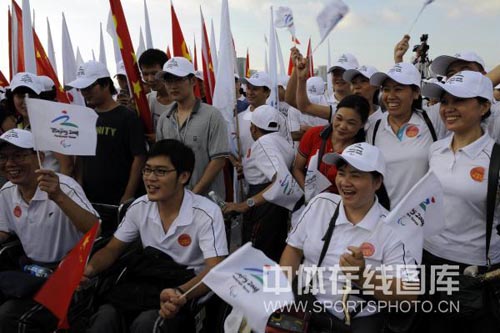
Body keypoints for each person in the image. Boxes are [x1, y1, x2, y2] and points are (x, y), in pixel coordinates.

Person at [83, 139, 228, 333]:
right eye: (147, 170)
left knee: (147, 324)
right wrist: (88, 270)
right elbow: (112, 249)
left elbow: (215, 269)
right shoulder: (139, 207)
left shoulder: (206, 213)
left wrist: (181, 293)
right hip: (145, 283)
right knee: (105, 317)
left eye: (160, 171)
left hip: (186, 288)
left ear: (183, 176)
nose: (150, 178)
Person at [281, 142, 417, 333]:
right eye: (342, 173)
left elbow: (409, 294)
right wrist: (280, 292)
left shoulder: (393, 229)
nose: (345, 182)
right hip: (307, 308)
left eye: (356, 175)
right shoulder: (320, 204)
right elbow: (294, 250)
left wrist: (363, 277)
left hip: (358, 321)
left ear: (377, 182)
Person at [421, 71, 500, 332]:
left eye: (460, 100)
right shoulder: (436, 150)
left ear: (484, 106)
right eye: (445, 101)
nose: (449, 108)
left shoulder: (496, 158)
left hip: (473, 272)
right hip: (429, 260)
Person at [0, 129, 99, 332]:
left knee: (8, 315)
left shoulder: (64, 186)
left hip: (69, 276)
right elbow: (3, 231)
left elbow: (94, 230)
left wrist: (58, 196)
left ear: (40, 158)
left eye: (18, 156)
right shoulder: (6, 191)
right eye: (3, 157)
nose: (10, 164)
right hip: (31, 273)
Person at [68, 61, 146, 235]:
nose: (85, 93)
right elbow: (81, 155)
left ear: (105, 84)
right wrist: (79, 187)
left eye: (89, 87)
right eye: (82, 89)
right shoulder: (84, 117)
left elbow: (139, 158)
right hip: (91, 200)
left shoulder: (127, 117)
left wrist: (128, 195)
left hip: (119, 201)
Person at [367, 63, 446, 206]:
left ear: (416, 93)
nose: (390, 96)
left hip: (424, 218)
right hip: (385, 218)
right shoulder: (374, 127)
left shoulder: (432, 119)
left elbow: (469, 93)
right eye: (386, 89)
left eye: (398, 89)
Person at [223, 105, 295, 262]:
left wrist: (245, 205)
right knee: (272, 253)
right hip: (275, 205)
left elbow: (281, 182)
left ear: (253, 128)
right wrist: (250, 170)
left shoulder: (263, 144)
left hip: (264, 205)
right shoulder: (280, 141)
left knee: (257, 257)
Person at [156, 57, 229, 198]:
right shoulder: (164, 119)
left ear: (193, 81)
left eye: (178, 79)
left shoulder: (212, 116)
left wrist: (192, 195)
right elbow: (161, 159)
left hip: (206, 203)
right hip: (172, 200)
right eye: (168, 80)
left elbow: (218, 160)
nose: (172, 86)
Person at [292, 95, 369, 195]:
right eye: (339, 118)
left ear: (362, 124)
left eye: (351, 123)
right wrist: (309, 194)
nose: (342, 126)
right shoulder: (313, 134)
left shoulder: (361, 152)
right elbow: (297, 169)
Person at [6, 72, 74, 176]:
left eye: (31, 96)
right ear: (12, 98)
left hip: (51, 188)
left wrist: (58, 190)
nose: (26, 101)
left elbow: (67, 165)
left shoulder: (52, 124)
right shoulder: (19, 125)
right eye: (20, 96)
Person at [138, 49, 173, 135]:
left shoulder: (181, 101)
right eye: (145, 74)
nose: (150, 79)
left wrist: (159, 138)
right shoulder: (147, 100)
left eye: (154, 73)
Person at [343, 65, 383, 131]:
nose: (357, 86)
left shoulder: (386, 119)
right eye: (353, 82)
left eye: (363, 81)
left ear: (376, 86)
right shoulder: (342, 116)